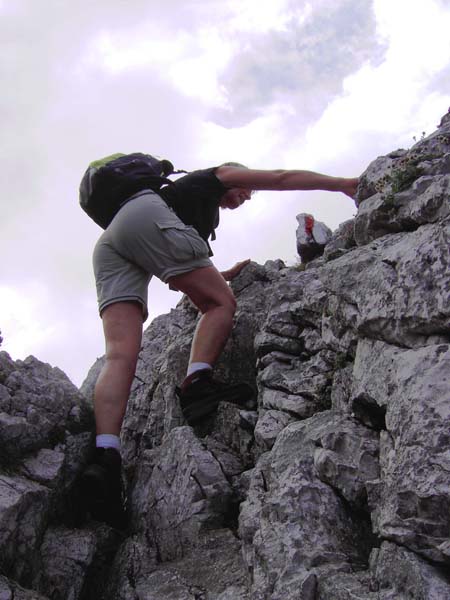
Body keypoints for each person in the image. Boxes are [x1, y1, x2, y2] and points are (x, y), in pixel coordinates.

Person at [78, 162, 359, 528]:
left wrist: (219, 273)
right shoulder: (217, 175)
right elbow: (280, 177)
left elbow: (171, 268)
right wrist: (342, 183)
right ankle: (198, 385)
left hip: (113, 242)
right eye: (244, 190)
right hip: (144, 218)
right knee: (221, 304)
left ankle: (105, 457)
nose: (244, 196)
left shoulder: (188, 207)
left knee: (120, 354)